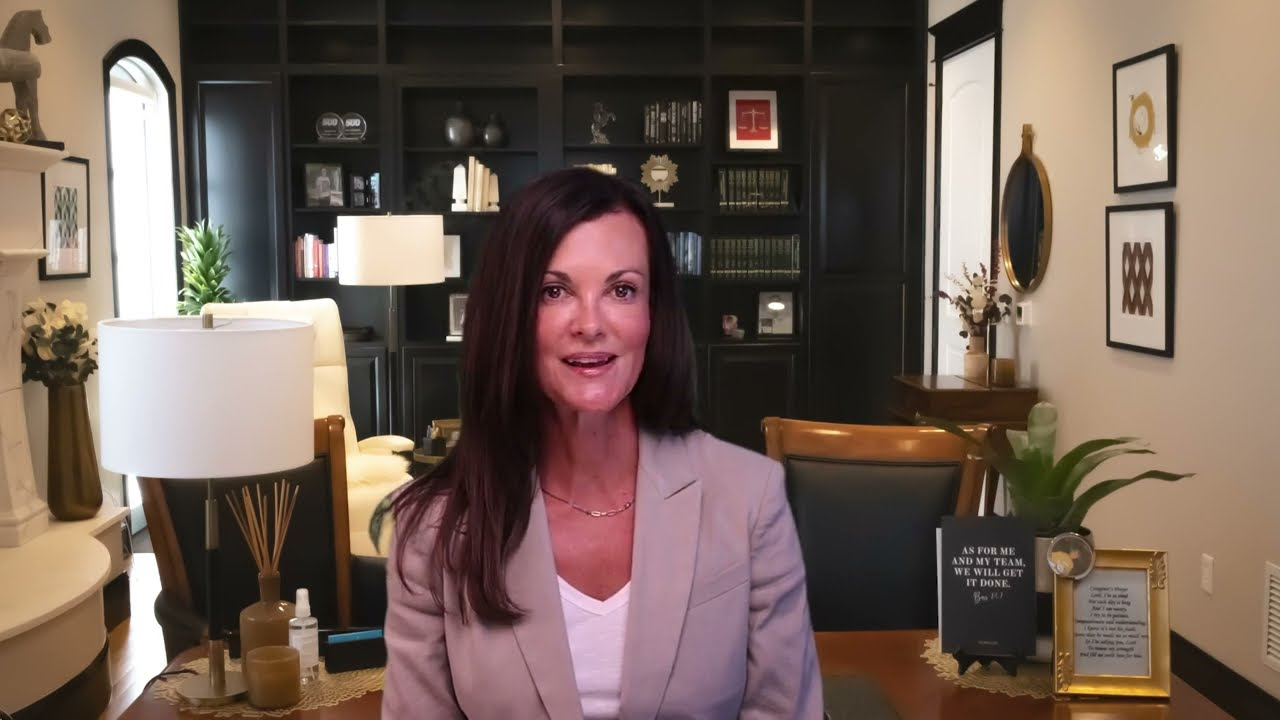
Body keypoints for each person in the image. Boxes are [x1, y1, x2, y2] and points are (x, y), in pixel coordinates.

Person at [383, 167, 823, 719]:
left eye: (621, 290)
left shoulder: (750, 496)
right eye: (554, 290)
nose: (590, 324)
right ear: (510, 316)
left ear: (651, 314)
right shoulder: (432, 527)